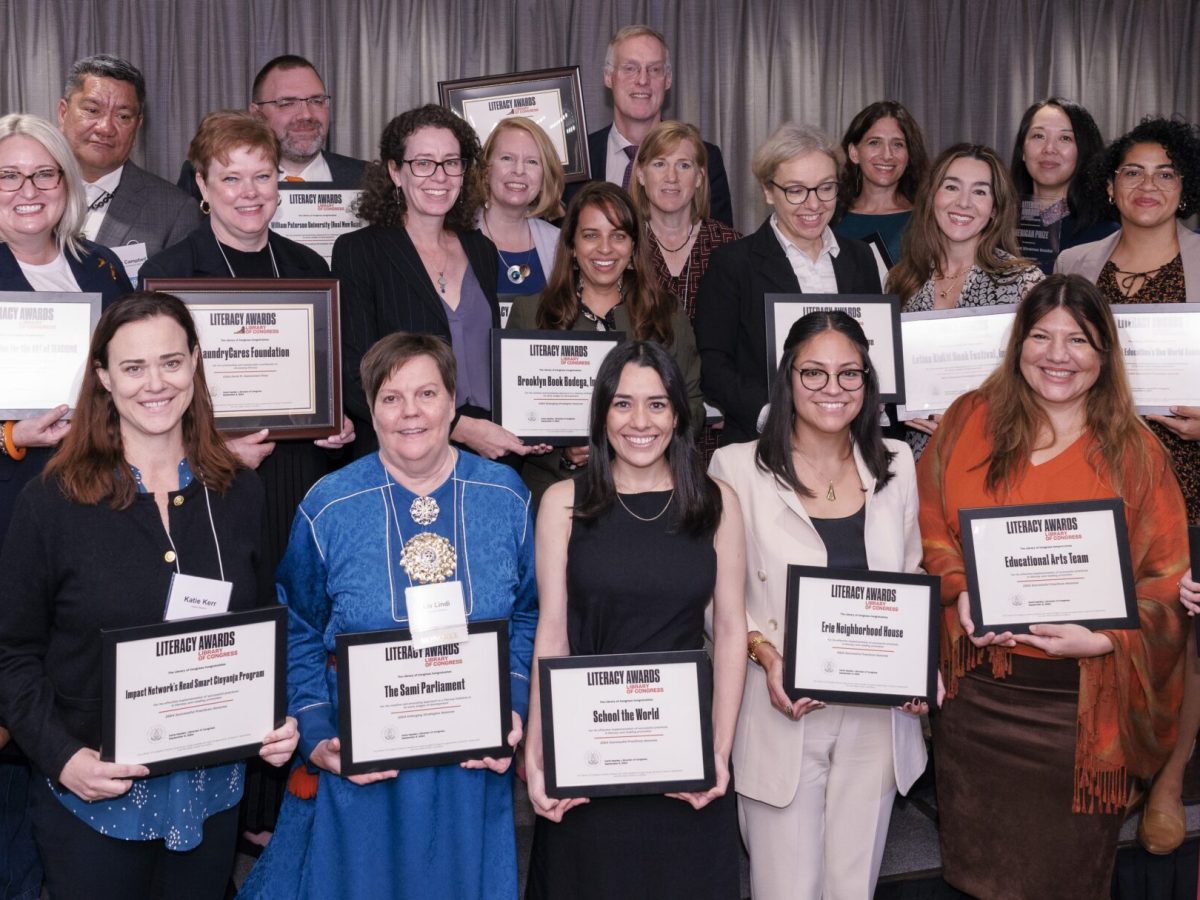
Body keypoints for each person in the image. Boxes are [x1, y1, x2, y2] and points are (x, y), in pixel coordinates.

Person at [0, 291, 299, 900]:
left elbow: (260, 629)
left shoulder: (238, 493)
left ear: (195, 363)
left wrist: (275, 719)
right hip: (93, 805)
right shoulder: (51, 501)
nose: (154, 383)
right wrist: (62, 759)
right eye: (133, 368)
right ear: (104, 378)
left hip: (212, 800)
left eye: (170, 362)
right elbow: (11, 654)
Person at [237, 332, 537, 900]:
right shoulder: (329, 504)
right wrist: (318, 736)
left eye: (426, 393)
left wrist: (515, 708)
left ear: (453, 402)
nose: (410, 412)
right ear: (371, 409)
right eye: (391, 397)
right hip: (364, 768)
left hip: (472, 763)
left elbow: (529, 613)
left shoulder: (506, 495)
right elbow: (297, 627)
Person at [918, 274, 1189, 898]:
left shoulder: (1138, 454)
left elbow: (1167, 587)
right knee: (977, 876)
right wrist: (960, 591)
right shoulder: (968, 420)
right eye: (1041, 336)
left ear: (1104, 354)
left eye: (1079, 340)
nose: (1058, 355)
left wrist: (1102, 643)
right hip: (978, 701)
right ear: (1019, 344)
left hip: (1078, 711)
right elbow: (930, 527)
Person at [141, 110, 353, 839]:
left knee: (297, 625)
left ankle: (280, 812)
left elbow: (330, 384)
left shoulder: (310, 269)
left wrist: (339, 419)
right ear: (202, 185)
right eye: (231, 177)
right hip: (210, 491)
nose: (250, 191)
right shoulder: (170, 276)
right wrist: (217, 450)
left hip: (296, 479)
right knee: (231, 634)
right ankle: (220, 816)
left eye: (263, 176)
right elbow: (150, 401)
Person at [708, 311, 928, 899]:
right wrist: (764, 653)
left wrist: (918, 659)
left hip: (876, 718)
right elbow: (715, 599)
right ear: (787, 378)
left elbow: (911, 573)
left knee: (853, 888)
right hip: (782, 707)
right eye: (814, 373)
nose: (833, 389)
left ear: (868, 382)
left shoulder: (898, 464)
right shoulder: (734, 467)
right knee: (786, 890)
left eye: (849, 374)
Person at [524, 339, 746, 899]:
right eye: (622, 404)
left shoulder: (717, 502)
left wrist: (718, 754)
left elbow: (730, 631)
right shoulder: (563, 503)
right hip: (588, 754)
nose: (639, 421)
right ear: (601, 413)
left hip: (683, 755)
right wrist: (537, 754)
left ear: (678, 413)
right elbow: (552, 633)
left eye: (656, 404)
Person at [1056, 116, 1200, 854]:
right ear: (1110, 187)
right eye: (1134, 172)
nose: (1149, 186)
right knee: (1105, 631)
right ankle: (1115, 773)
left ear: (1185, 187)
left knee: (1177, 634)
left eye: (1166, 173)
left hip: (1188, 478)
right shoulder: (1078, 262)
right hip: (1097, 478)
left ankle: (1167, 782)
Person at [334, 103, 546, 463]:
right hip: (403, 451)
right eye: (423, 163)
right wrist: (460, 427)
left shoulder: (481, 248)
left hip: (490, 449)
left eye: (451, 162)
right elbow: (357, 376)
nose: (440, 176)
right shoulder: (359, 251)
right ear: (395, 171)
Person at [506, 182, 704, 504]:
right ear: (570, 244)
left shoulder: (666, 312)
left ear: (633, 246)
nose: (605, 248)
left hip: (650, 486)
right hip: (561, 491)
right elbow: (516, 422)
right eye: (591, 235)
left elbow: (692, 406)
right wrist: (564, 454)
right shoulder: (531, 314)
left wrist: (640, 436)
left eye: (618, 235)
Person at [694, 123, 881, 447]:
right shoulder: (734, 263)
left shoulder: (860, 257)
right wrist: (770, 414)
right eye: (796, 190)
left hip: (849, 441)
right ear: (768, 191)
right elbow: (712, 363)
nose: (813, 204)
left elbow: (873, 353)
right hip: (763, 444)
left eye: (825, 187)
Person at [0, 113, 133, 540]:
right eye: (8, 176)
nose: (28, 191)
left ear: (66, 181)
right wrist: (11, 435)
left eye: (44, 174)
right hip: (15, 499)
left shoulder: (102, 267)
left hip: (108, 491)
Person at [887, 143, 1045, 458]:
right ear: (933, 197)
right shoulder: (900, 281)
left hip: (994, 456)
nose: (963, 203)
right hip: (913, 462)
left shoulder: (1025, 283)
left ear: (995, 210)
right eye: (951, 187)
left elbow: (1043, 385)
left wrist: (977, 420)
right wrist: (898, 406)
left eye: (980, 192)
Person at [567, 25, 734, 227]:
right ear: (608, 77)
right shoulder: (575, 157)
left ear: (668, 80)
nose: (643, 80)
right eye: (630, 69)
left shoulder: (705, 157)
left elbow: (720, 250)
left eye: (654, 69)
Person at [57, 54, 201, 278]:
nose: (105, 128)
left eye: (123, 116)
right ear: (63, 113)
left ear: (138, 125)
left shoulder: (174, 211)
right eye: (92, 111)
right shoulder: (21, 193)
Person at [177, 54, 366, 196]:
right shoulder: (204, 177)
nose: (306, 115)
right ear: (257, 114)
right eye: (287, 103)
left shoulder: (371, 179)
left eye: (316, 100)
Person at [630, 120, 741, 320]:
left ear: (699, 177)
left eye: (683, 165)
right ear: (641, 175)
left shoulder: (730, 245)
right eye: (659, 164)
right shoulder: (624, 243)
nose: (671, 177)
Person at [1009, 97, 1117, 273]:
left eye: (1065, 138)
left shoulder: (1106, 234)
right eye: (1038, 136)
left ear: (1083, 151)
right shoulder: (996, 226)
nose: (1049, 148)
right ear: (1023, 151)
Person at [473, 117, 563, 297]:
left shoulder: (560, 244)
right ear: (486, 170)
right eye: (507, 158)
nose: (519, 170)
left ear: (545, 176)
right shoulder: (455, 238)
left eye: (532, 162)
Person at [833, 100, 929, 269]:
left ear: (909, 155)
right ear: (854, 153)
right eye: (874, 143)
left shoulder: (927, 219)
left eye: (897, 144)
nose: (887, 155)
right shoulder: (829, 217)